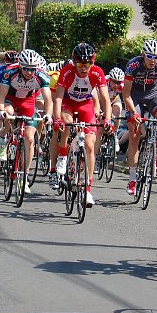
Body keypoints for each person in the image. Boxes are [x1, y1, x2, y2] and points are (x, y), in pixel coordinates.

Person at [51, 43, 112, 207]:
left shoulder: (97, 72)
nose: (84, 68)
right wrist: (57, 119)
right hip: (68, 103)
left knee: (90, 146)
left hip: (86, 105)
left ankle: (87, 189)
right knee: (67, 123)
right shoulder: (67, 71)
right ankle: (62, 157)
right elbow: (58, 97)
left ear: (92, 62)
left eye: (87, 64)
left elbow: (105, 98)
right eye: (80, 64)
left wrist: (107, 119)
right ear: (74, 62)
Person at [121, 38, 157, 196]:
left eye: (156, 57)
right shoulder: (133, 65)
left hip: (153, 94)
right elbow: (126, 94)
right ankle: (132, 178)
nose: (153, 60)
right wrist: (133, 113)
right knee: (134, 135)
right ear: (143, 55)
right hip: (134, 96)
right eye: (150, 56)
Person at [0, 49, 53, 194]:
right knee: (8, 113)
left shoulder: (41, 75)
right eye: (26, 69)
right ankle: (2, 140)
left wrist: (48, 115)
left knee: (29, 138)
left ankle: (25, 177)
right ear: (20, 66)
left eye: (32, 69)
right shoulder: (10, 72)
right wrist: (1, 110)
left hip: (28, 102)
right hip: (10, 99)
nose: (29, 72)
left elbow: (48, 99)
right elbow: (1, 96)